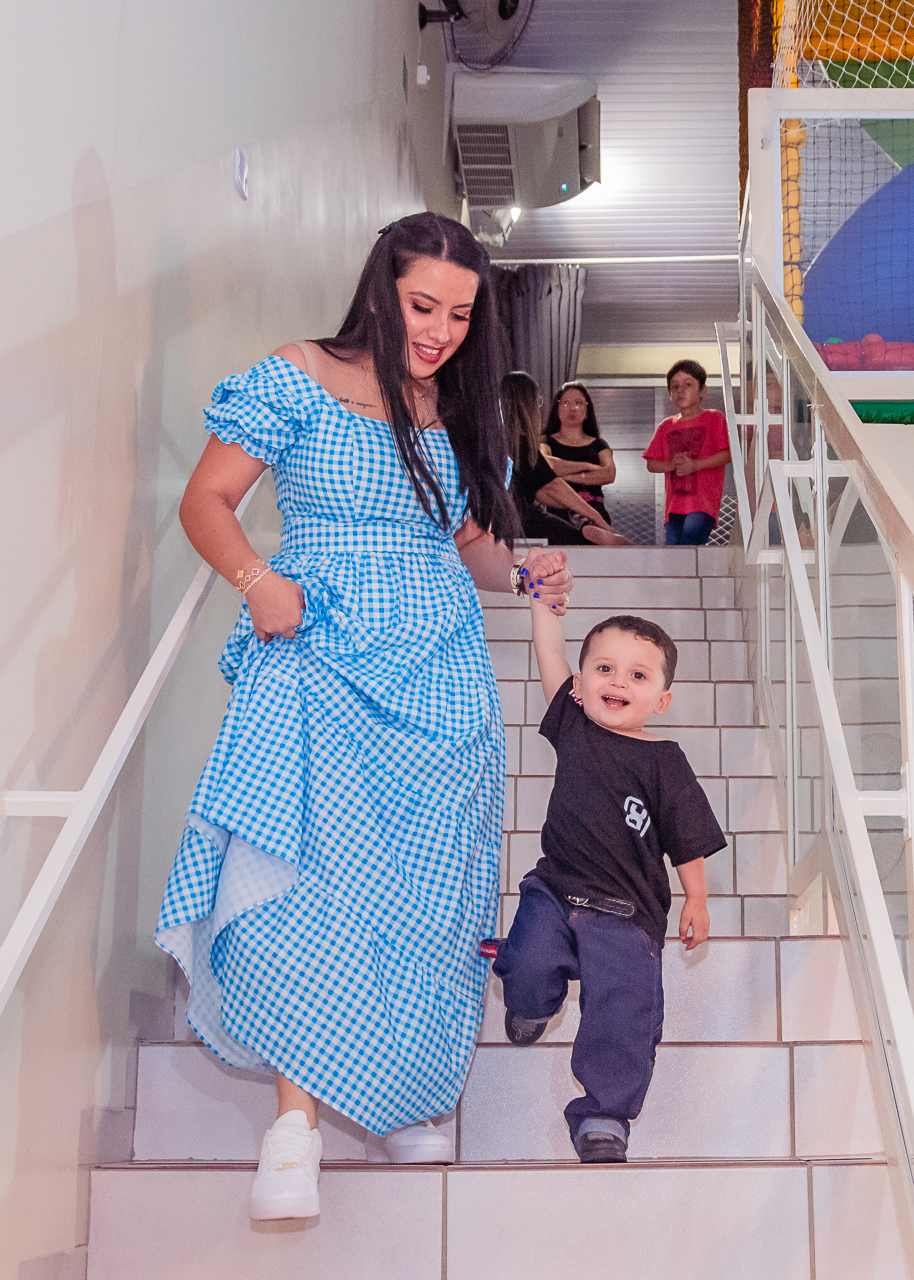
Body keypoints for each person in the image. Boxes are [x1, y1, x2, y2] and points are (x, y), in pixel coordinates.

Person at [154, 212, 573, 1222]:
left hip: (441, 666)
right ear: (381, 290)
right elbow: (206, 500)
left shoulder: (458, 408)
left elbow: (470, 542)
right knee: (309, 881)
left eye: (459, 316)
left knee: (432, 891)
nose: (438, 331)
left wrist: (523, 572)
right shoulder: (296, 374)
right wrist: (257, 580)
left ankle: (409, 1094)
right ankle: (294, 1125)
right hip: (318, 649)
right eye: (422, 305)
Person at [492, 607, 725, 1163]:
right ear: (579, 684)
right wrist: (542, 606)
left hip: (628, 914)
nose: (618, 681)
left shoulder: (666, 761)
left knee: (623, 1016)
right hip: (555, 891)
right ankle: (532, 1003)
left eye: (638, 675)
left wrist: (696, 897)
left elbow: (686, 837)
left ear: (662, 700)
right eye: (604, 669)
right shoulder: (573, 726)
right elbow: (549, 653)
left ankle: (604, 1115)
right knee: (526, 961)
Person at [501, 371, 628, 547]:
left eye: (578, 403)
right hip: (518, 518)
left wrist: (578, 512)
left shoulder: (499, 440)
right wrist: (598, 519)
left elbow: (542, 490)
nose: (572, 408)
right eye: (537, 401)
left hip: (512, 516)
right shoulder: (520, 442)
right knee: (578, 542)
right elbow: (552, 484)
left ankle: (583, 526)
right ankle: (584, 530)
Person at [643, 359, 731, 546]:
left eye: (688, 384)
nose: (680, 390)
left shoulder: (714, 418)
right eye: (675, 386)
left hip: (703, 505)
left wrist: (694, 466)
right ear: (669, 393)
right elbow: (651, 463)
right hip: (674, 507)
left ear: (702, 390)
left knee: (691, 538)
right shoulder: (666, 425)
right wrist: (670, 465)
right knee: (675, 554)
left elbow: (727, 454)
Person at [541, 381, 616, 525]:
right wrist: (587, 466)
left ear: (587, 409)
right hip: (557, 516)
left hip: (595, 514)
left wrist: (568, 477)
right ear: (557, 408)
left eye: (578, 403)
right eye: (566, 403)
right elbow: (548, 465)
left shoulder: (599, 444)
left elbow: (609, 474)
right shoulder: (545, 441)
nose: (572, 408)